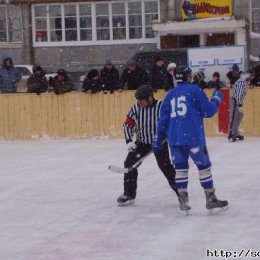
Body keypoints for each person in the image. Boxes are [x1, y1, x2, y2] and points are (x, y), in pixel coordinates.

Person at [152, 65, 228, 214]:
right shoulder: (194, 90)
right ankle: (210, 198)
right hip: (193, 138)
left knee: (180, 169)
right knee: (204, 167)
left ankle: (183, 200)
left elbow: (163, 121)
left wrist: (157, 139)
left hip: (175, 140)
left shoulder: (170, 95)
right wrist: (216, 99)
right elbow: (208, 111)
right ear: (188, 76)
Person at [117, 85, 179, 206]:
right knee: (129, 164)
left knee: (165, 167)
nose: (139, 102)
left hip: (159, 142)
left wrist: (165, 137)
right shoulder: (135, 108)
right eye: (138, 100)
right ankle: (129, 194)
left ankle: (180, 192)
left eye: (142, 100)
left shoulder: (162, 107)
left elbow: (172, 124)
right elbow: (127, 125)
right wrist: (129, 141)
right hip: (142, 143)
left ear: (150, 98)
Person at [228, 70, 255, 142]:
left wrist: (250, 85)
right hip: (235, 100)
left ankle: (235, 133)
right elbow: (238, 94)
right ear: (248, 75)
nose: (252, 77)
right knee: (234, 117)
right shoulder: (242, 82)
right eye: (251, 76)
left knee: (239, 116)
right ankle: (231, 134)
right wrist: (239, 104)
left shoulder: (245, 81)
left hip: (239, 100)